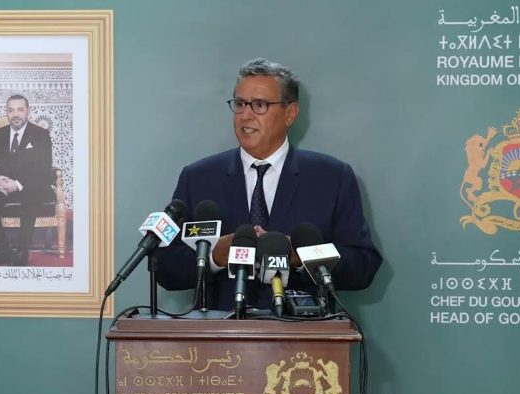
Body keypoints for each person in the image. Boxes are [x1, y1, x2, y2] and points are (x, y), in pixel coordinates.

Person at [156, 58, 381, 311]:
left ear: (290, 113)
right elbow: (164, 267)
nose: (245, 115)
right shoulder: (198, 178)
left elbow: (363, 266)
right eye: (240, 104)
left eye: (259, 105)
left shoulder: (332, 178)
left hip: (301, 331)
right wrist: (212, 258)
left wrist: (303, 258)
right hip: (220, 330)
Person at [0, 94, 54, 266]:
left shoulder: (40, 134)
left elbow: (43, 168)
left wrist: (17, 185)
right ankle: (3, 250)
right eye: (11, 110)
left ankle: (22, 252)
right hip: (3, 186)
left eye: (20, 110)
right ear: (6, 112)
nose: (15, 114)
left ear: (28, 111)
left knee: (31, 197)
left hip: (31, 186)